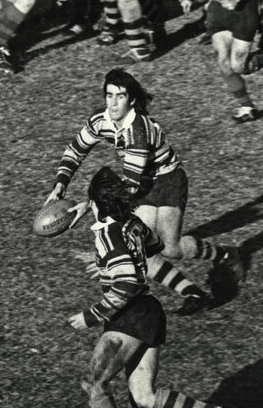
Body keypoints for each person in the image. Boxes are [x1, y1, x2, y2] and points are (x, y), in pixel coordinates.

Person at [67, 165, 235, 408]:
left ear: (98, 204)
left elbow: (128, 283)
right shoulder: (131, 222)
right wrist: (105, 262)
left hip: (129, 316)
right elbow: (155, 245)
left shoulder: (107, 236)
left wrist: (92, 315)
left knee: (94, 383)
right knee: (144, 398)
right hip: (149, 312)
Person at [45, 69, 231, 315]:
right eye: (109, 95)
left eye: (120, 96)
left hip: (167, 181)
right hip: (142, 183)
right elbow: (75, 150)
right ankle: (194, 294)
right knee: (141, 245)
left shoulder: (138, 129)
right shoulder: (100, 120)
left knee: (172, 249)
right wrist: (61, 183)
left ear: (131, 100)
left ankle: (226, 256)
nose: (113, 103)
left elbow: (130, 184)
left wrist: (88, 205)